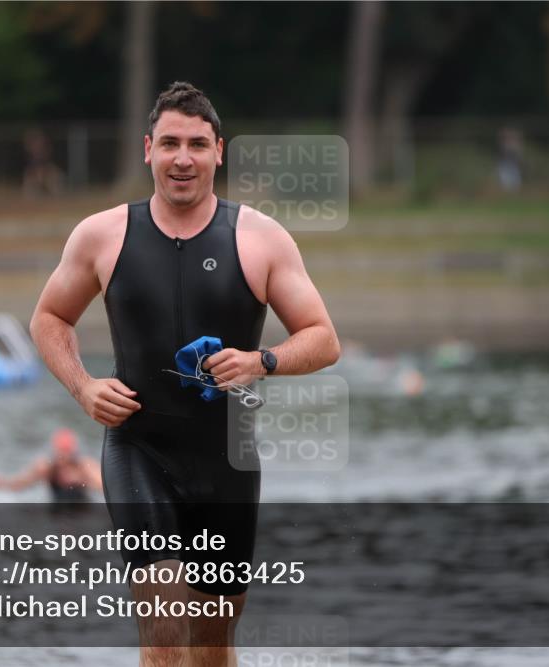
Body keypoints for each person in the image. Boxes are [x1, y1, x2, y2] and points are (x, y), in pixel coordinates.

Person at [30, 81, 340, 666]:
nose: (182, 158)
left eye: (197, 144)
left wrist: (262, 361)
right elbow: (49, 317)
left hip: (227, 460)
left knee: (212, 640)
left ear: (218, 152)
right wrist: (83, 385)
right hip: (138, 448)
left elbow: (324, 339)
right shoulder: (102, 235)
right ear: (147, 149)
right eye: (169, 143)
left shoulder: (260, 238)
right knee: (166, 620)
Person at [0, 428, 102, 502]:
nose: (64, 457)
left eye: (67, 452)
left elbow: (106, 488)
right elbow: (21, 483)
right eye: (61, 452)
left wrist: (85, 481)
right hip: (57, 508)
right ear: (55, 451)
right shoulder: (46, 468)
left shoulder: (84, 467)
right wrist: (3, 484)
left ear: (73, 452)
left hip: (83, 507)